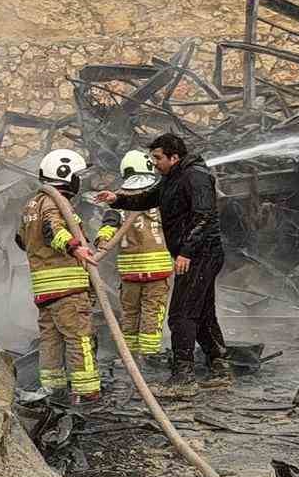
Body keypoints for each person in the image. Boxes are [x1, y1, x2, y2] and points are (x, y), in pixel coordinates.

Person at [96, 132, 230, 398]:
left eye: (158, 158)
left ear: (174, 157)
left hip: (201, 254)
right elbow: (148, 199)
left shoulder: (196, 177)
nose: (154, 162)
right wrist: (117, 199)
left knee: (181, 315)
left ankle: (183, 378)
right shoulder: (173, 178)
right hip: (196, 254)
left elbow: (203, 218)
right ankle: (220, 368)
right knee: (201, 313)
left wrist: (186, 253)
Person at [16, 148, 101, 404]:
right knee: (79, 339)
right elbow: (53, 230)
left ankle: (54, 391)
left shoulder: (32, 203)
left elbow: (21, 239)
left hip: (45, 289)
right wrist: (75, 247)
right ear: (69, 177)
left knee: (50, 340)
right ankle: (87, 392)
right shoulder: (55, 202)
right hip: (68, 289)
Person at [94, 148, 173, 366]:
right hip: (158, 270)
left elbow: (109, 225)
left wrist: (101, 242)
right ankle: (148, 356)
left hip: (130, 273)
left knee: (129, 313)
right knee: (152, 311)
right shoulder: (160, 195)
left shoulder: (119, 198)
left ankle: (129, 358)